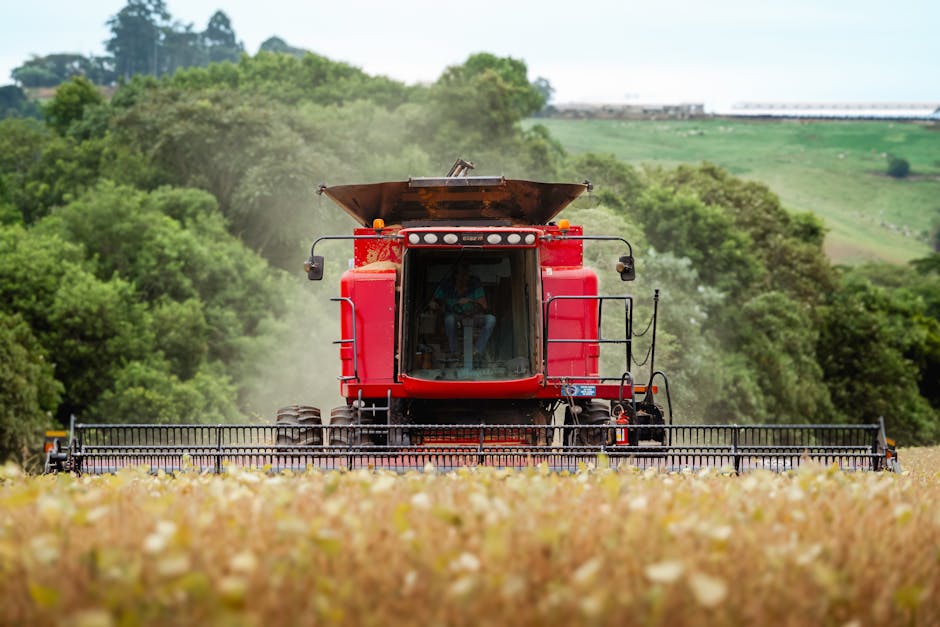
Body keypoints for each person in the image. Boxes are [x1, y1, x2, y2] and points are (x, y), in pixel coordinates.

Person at [430, 264, 496, 357]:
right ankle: (455, 352)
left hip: (474, 316)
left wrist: (470, 301)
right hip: (455, 316)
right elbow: (434, 301)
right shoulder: (446, 284)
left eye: (467, 275)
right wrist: (434, 304)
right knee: (449, 320)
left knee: (491, 319)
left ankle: (477, 351)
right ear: (455, 275)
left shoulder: (475, 283)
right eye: (462, 275)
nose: (465, 278)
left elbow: (484, 305)